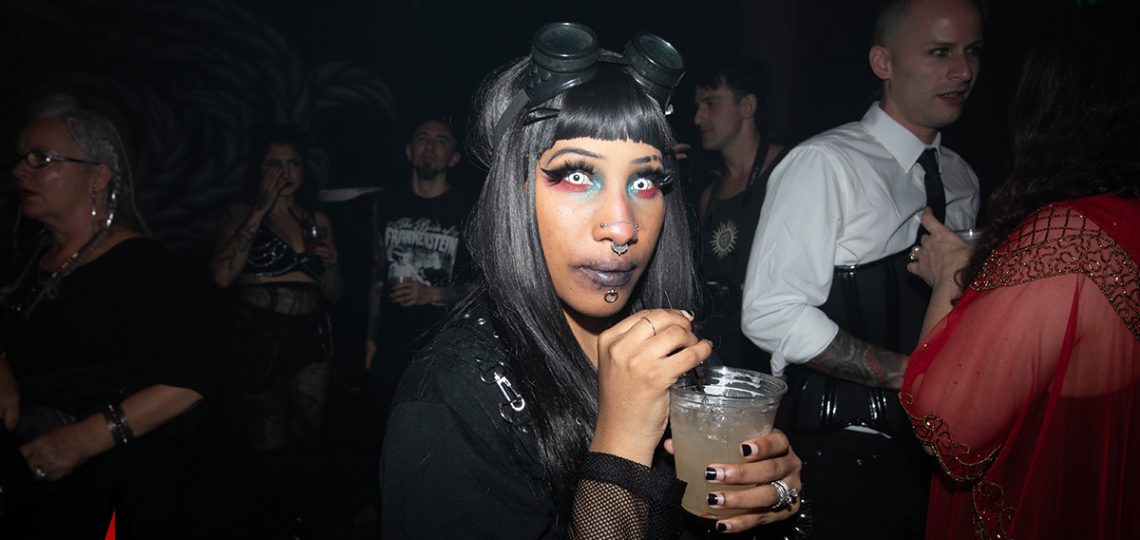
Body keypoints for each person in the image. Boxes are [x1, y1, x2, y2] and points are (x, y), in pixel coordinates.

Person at [381, 23, 803, 539]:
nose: (623, 226)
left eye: (644, 180)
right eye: (577, 175)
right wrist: (622, 443)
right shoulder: (450, 402)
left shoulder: (668, 346)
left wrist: (770, 495)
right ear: (515, 190)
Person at [740, 0, 983, 537]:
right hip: (834, 457)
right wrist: (910, 374)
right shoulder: (825, 163)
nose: (963, 71)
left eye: (972, 51)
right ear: (883, 62)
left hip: (936, 456)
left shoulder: (962, 177)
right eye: (940, 52)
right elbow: (771, 312)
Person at [903, 7, 1140, 538]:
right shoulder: (1122, 224)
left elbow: (944, 430)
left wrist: (949, 276)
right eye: (941, 52)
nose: (966, 71)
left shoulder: (1069, 237)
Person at [0, 100, 205, 537]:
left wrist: (83, 439)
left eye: (41, 158)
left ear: (97, 176)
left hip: (113, 483)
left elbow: (188, 381)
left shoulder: (138, 264)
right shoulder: (30, 257)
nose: (20, 171)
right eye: (20, 158)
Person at [211, 126, 342, 535]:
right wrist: (259, 210)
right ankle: (270, 523)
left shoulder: (317, 219)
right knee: (267, 439)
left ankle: (304, 520)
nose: (285, 172)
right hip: (259, 335)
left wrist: (332, 263)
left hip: (310, 332)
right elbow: (221, 276)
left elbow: (335, 293)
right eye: (275, 164)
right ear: (260, 169)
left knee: (308, 433)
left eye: (293, 163)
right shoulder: (241, 212)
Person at [365, 117, 475, 426]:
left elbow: (484, 288)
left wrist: (433, 293)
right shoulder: (385, 204)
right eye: (422, 138)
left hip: (443, 348)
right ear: (409, 151)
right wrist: (370, 340)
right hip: (390, 346)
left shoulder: (468, 211)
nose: (430, 146)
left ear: (454, 158)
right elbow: (377, 274)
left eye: (441, 141)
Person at [691, 57, 789, 372]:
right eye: (697, 106)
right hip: (722, 358)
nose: (698, 118)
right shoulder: (710, 194)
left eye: (710, 103)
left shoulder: (790, 170)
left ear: (746, 106)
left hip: (772, 358)